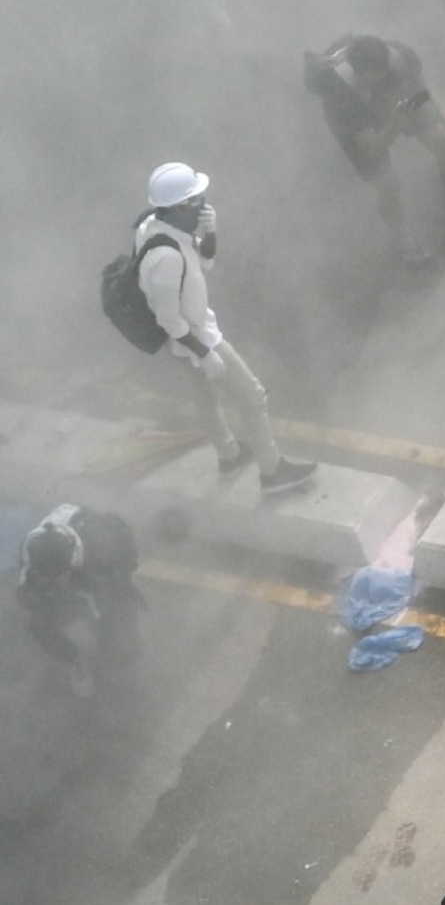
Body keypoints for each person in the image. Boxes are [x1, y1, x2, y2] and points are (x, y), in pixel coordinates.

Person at [132, 164, 315, 495]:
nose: (202, 202)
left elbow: (205, 260)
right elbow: (169, 320)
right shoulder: (165, 258)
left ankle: (229, 456)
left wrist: (210, 233)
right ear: (177, 206)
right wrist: (205, 353)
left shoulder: (153, 226)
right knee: (253, 396)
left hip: (186, 339)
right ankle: (272, 472)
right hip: (195, 337)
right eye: (195, 198)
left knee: (206, 398)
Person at [300, 34, 445, 246]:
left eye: (387, 70)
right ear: (360, 73)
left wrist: (441, 109)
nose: (386, 74)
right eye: (378, 75)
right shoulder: (340, 96)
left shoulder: (398, 55)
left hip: (389, 99)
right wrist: (395, 124)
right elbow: (373, 147)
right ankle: (402, 241)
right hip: (358, 122)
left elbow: (420, 80)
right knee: (387, 183)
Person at [15, 502, 140, 676]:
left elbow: (126, 554)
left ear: (68, 568)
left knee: (119, 620)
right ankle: (75, 659)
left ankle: (119, 654)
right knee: (38, 621)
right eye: (44, 578)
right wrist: (37, 599)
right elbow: (24, 596)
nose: (51, 584)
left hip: (100, 559)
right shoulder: (30, 551)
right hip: (79, 568)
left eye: (56, 578)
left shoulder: (101, 546)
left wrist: (109, 625)